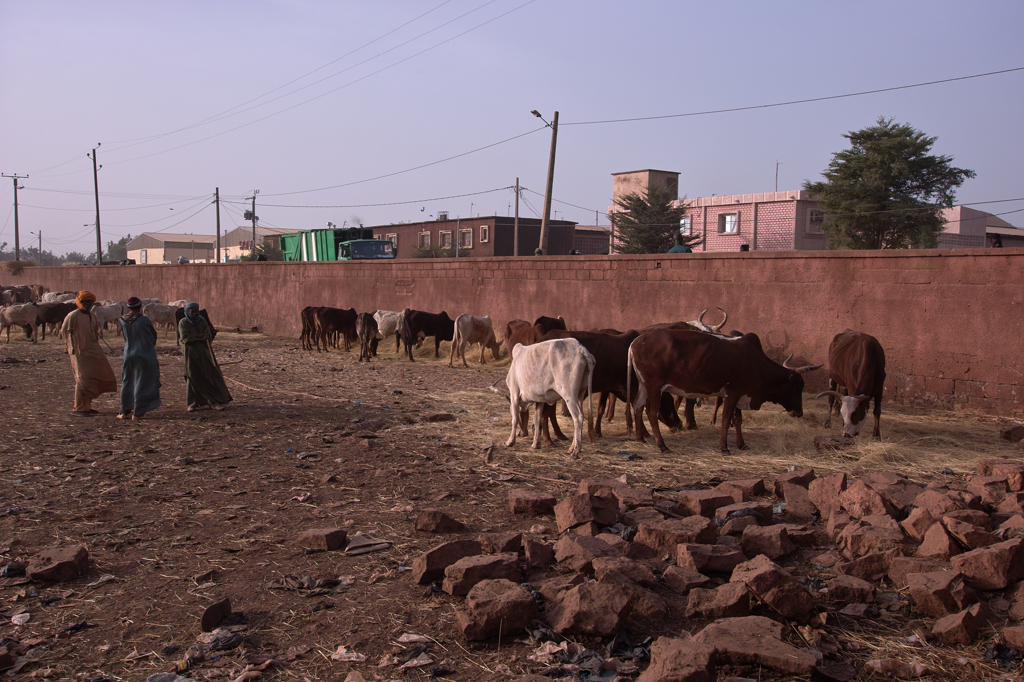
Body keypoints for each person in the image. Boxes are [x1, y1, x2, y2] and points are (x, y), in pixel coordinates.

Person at [60, 291, 118, 416]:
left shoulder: (92, 315)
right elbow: (65, 332)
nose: (87, 305)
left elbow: (95, 331)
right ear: (79, 303)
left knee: (93, 377)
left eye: (89, 302)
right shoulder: (73, 316)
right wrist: (72, 347)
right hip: (79, 352)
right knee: (82, 379)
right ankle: (79, 407)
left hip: (92, 350)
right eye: (84, 302)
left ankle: (87, 406)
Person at [178, 302, 232, 412]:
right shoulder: (183, 323)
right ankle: (193, 403)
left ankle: (214, 401)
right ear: (187, 312)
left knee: (209, 375)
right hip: (190, 354)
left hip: (204, 353)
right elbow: (185, 338)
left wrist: (197, 337)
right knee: (192, 376)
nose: (194, 313)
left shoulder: (201, 321)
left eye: (196, 311)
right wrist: (200, 338)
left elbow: (208, 334)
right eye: (192, 311)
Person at [117, 296, 161, 420]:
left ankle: (124, 410)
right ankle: (138, 411)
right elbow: (153, 336)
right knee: (143, 381)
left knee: (127, 380)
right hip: (144, 353)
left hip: (128, 353)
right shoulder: (144, 320)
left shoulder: (122, 320)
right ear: (140, 306)